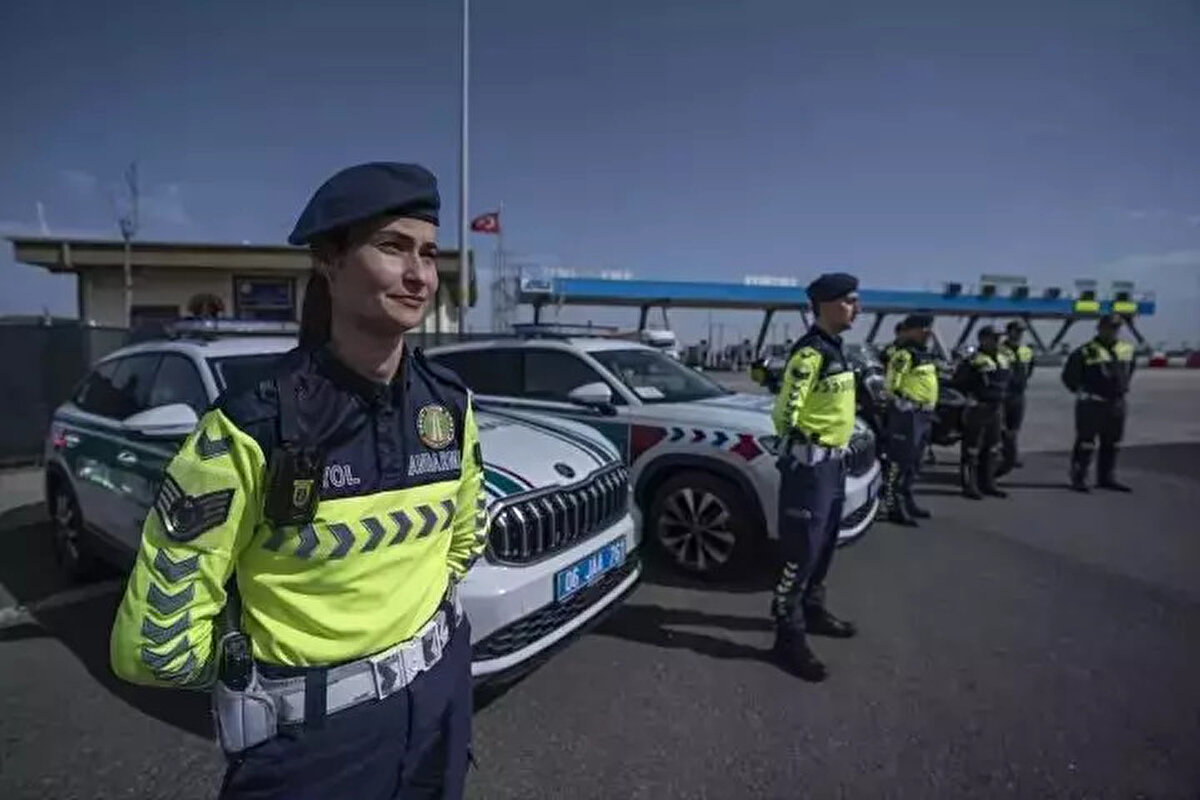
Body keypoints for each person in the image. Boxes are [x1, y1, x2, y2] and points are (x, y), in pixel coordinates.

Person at [110, 162, 487, 800]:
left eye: (428, 252)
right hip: (317, 747)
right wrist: (283, 690)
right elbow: (155, 644)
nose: (419, 274)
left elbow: (465, 536)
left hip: (443, 703)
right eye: (392, 247)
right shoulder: (249, 425)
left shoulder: (449, 406)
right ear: (330, 262)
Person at [770, 272, 861, 682]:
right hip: (811, 468)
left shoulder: (836, 349)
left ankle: (813, 608)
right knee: (800, 553)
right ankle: (787, 637)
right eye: (849, 301)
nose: (856, 308)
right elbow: (785, 413)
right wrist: (802, 448)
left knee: (824, 547)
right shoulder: (810, 354)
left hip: (834, 465)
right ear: (825, 305)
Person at [1061, 314, 1135, 492]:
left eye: (1116, 328)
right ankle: (1079, 477)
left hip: (1116, 403)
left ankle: (1106, 477)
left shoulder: (1126, 350)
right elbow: (1069, 376)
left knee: (1112, 442)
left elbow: (1129, 371)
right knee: (1086, 442)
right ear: (1100, 328)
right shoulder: (1085, 351)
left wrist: (1121, 388)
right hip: (1092, 403)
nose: (1112, 331)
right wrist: (1081, 392)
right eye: (1109, 327)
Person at [881, 313, 938, 525]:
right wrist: (901, 406)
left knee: (915, 463)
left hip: (925, 414)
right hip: (908, 415)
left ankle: (907, 499)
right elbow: (890, 387)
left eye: (929, 329)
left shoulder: (924, 355)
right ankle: (893, 505)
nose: (928, 333)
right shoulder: (903, 356)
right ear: (913, 330)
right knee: (899, 463)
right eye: (924, 329)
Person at [953, 326, 1010, 500]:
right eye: (995, 338)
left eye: (999, 338)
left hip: (997, 408)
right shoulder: (974, 360)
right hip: (978, 407)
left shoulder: (1004, 358)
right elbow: (959, 381)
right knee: (972, 449)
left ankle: (989, 483)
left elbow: (1010, 380)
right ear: (983, 339)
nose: (998, 341)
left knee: (993, 448)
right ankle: (970, 485)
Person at [997, 320, 1034, 474]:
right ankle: (1004, 455)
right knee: (1001, 428)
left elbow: (1030, 369)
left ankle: (1011, 455)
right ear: (1009, 332)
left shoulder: (1026, 351)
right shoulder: (999, 351)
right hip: (1003, 394)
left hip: (1019, 395)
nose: (1018, 334)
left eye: (1021, 332)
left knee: (1014, 428)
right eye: (1016, 331)